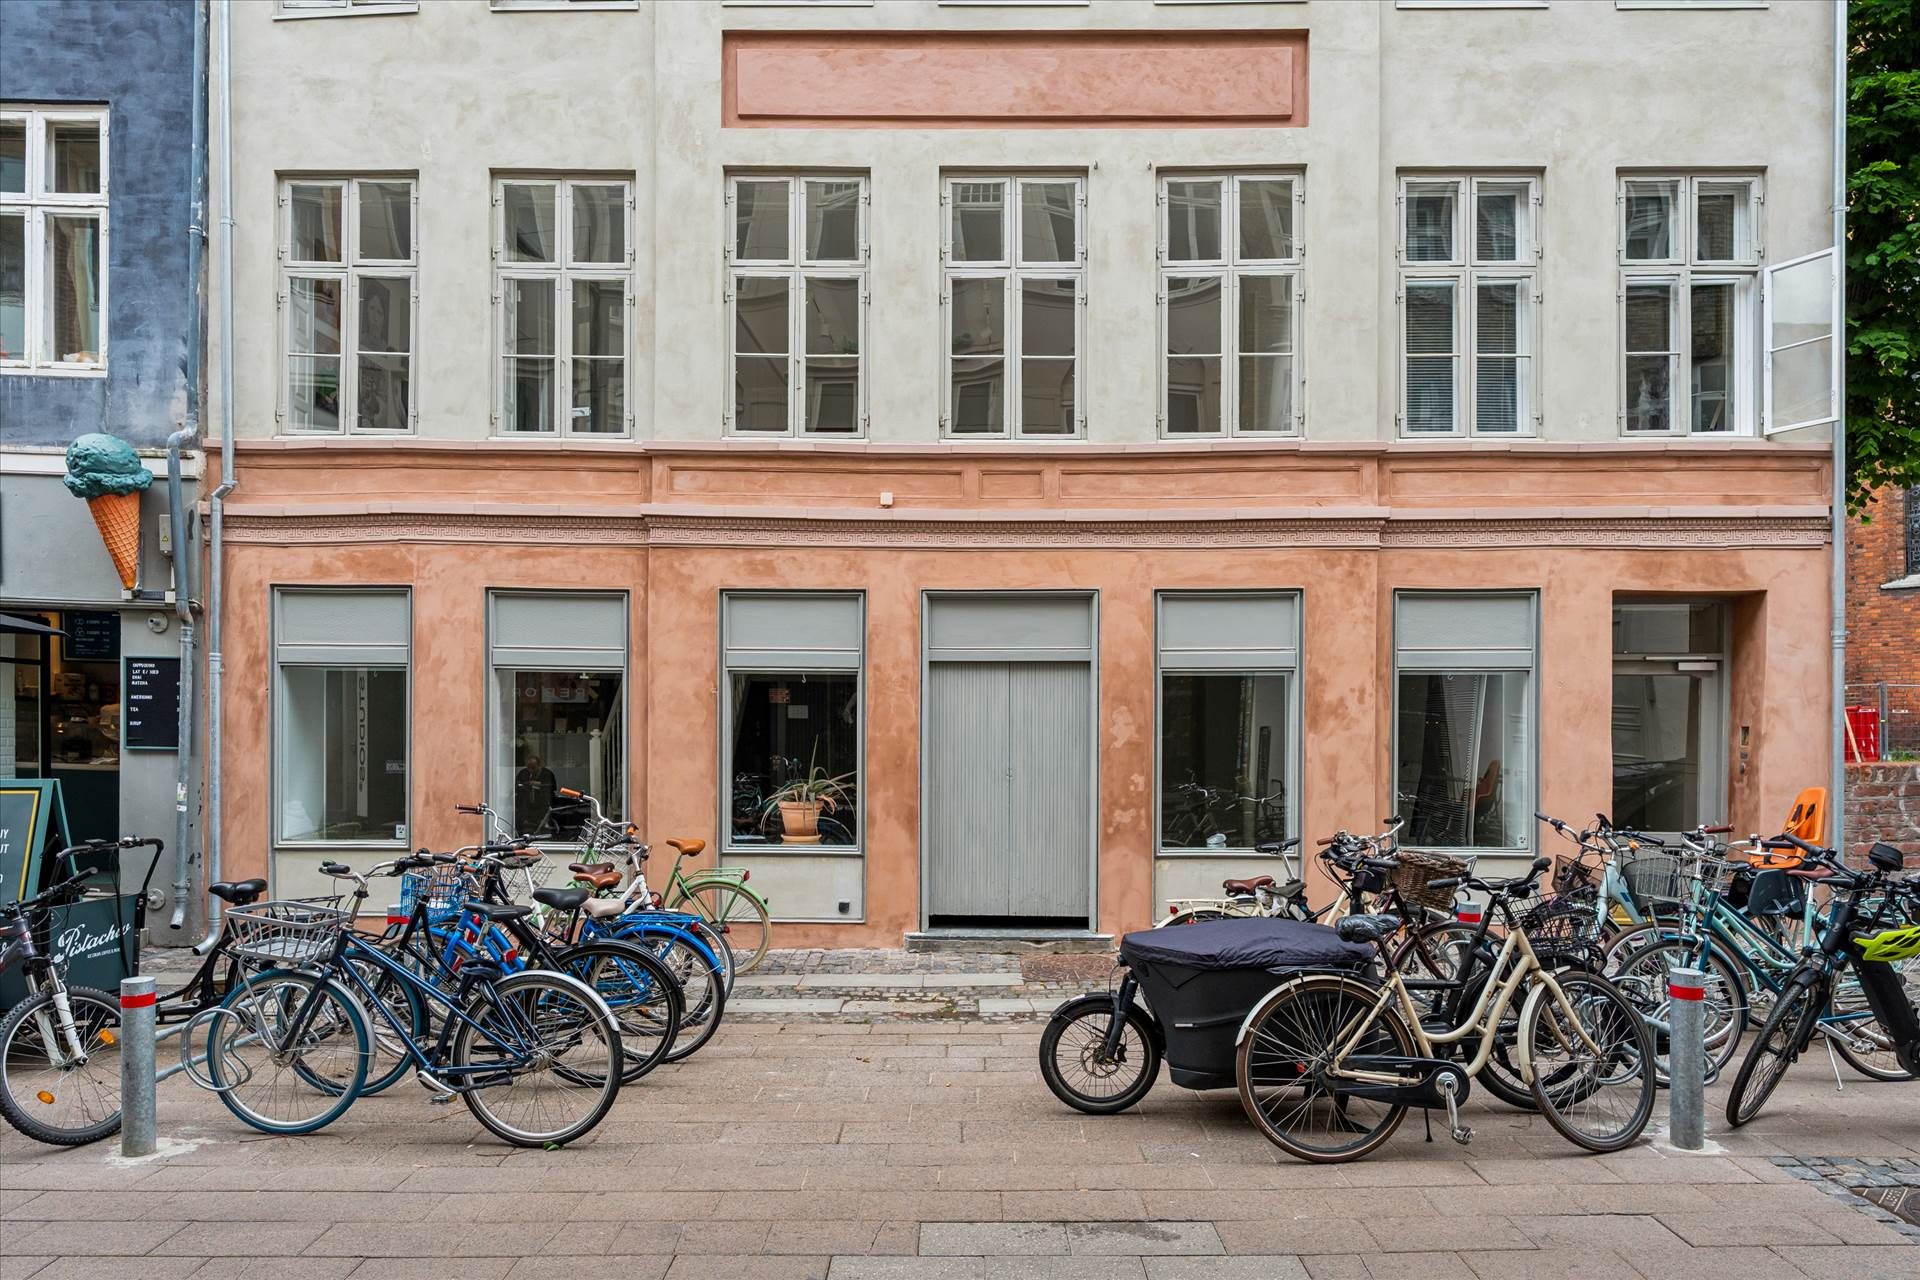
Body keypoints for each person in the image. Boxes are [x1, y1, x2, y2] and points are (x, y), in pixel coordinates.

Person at [515, 753, 558, 837]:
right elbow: (517, 786)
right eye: (529, 768)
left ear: (539, 765)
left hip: (543, 804)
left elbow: (552, 787)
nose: (531, 771)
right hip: (527, 805)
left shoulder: (547, 773)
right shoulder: (523, 773)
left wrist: (538, 784)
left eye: (533, 768)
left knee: (542, 824)